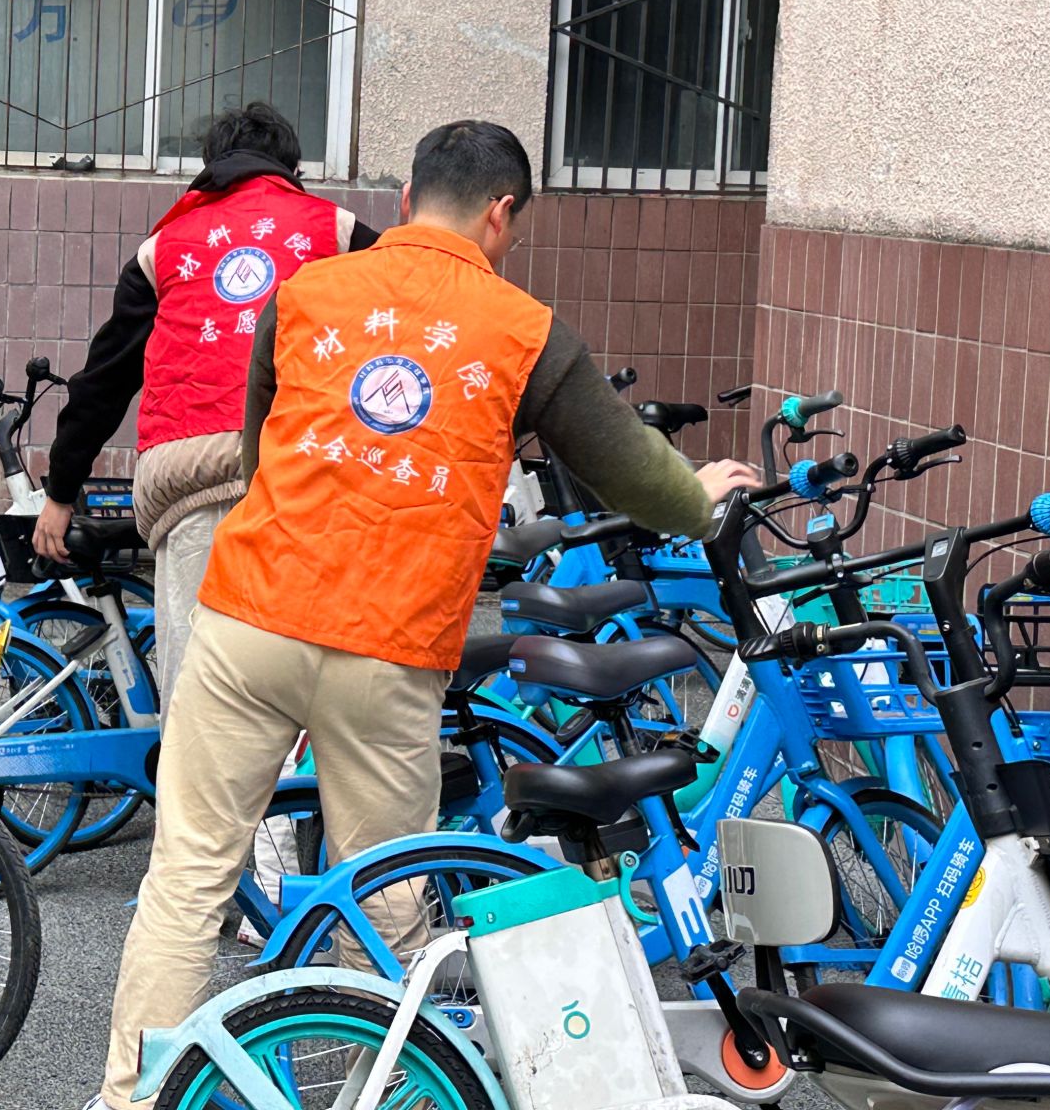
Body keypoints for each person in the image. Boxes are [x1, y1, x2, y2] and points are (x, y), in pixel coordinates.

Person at [89, 121, 764, 1109]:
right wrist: (696, 497)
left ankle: (127, 1099)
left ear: (406, 200)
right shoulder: (525, 331)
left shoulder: (304, 294)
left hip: (249, 615)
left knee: (187, 881)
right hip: (386, 645)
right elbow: (634, 473)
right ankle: (380, 1096)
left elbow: (263, 449)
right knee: (384, 901)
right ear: (502, 215)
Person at [34, 103, 376, 712]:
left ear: (211, 168)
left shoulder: (163, 248)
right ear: (293, 169)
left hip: (188, 476)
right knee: (303, 684)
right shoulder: (338, 231)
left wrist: (61, 493)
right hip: (302, 472)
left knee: (197, 689)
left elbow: (105, 380)